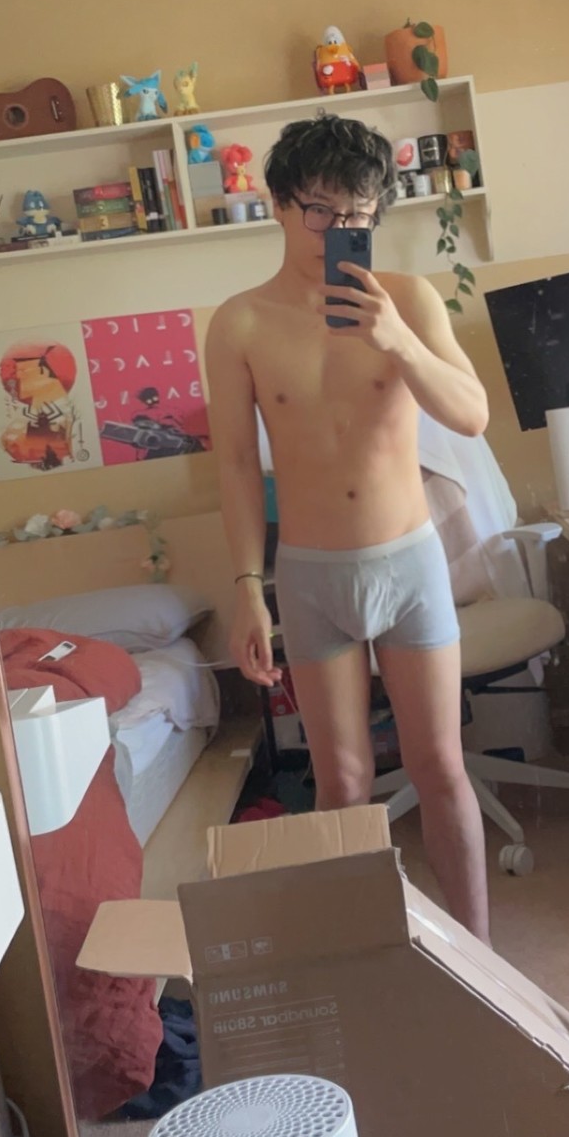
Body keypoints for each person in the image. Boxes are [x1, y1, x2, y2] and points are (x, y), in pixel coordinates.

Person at [205, 115, 491, 941]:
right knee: (343, 783)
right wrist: (247, 588)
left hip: (409, 564)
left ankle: (485, 966)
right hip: (310, 576)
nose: (338, 230)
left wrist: (398, 341)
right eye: (320, 211)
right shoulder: (240, 323)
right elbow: (236, 465)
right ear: (279, 204)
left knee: (441, 768)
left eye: (358, 215)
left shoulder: (408, 298)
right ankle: (367, 960)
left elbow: (472, 414)